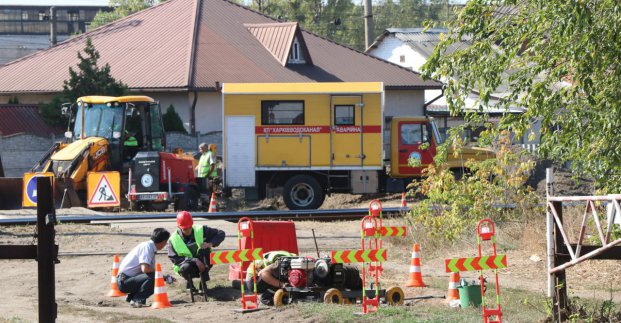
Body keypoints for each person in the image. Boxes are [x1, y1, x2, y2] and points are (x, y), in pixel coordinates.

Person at [167, 211, 225, 291]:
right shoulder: (173, 239)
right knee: (185, 268)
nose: (188, 230)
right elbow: (174, 258)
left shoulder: (201, 230)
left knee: (205, 251)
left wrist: (211, 244)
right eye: (185, 229)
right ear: (179, 227)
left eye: (189, 227)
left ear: (192, 224)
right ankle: (189, 283)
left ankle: (203, 282)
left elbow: (220, 234)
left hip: (203, 263)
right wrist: (194, 260)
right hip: (187, 265)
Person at [117, 228, 170, 308]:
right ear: (163, 242)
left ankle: (132, 298)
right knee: (155, 277)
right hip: (124, 281)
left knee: (156, 276)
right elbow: (145, 269)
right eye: (166, 242)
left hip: (127, 279)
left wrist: (163, 277)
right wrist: (159, 274)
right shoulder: (147, 247)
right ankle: (137, 300)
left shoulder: (149, 246)